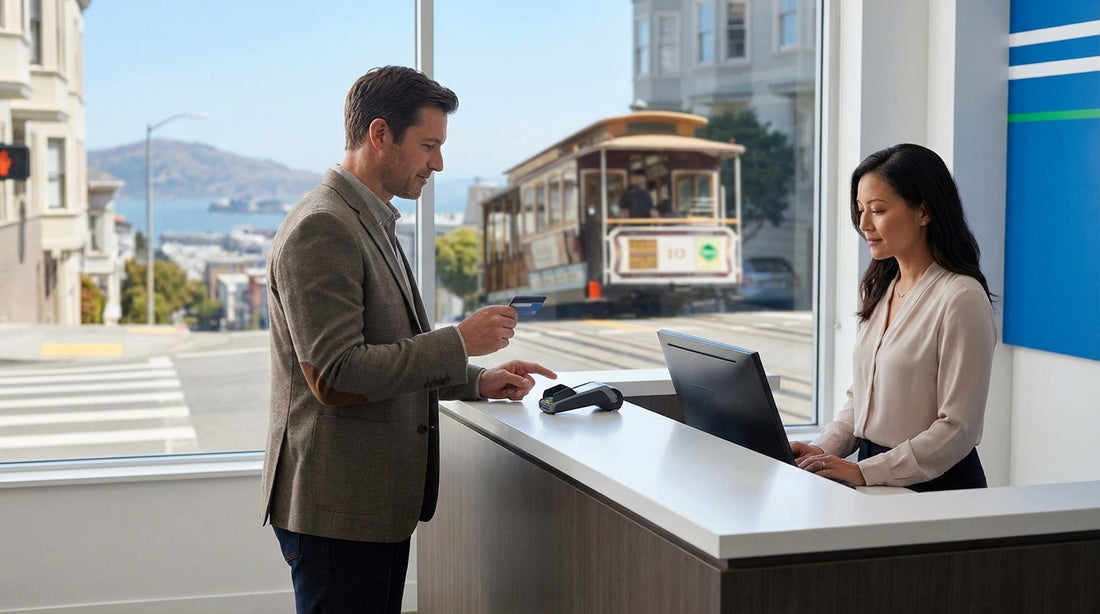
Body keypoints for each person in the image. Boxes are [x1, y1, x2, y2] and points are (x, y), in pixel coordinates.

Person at [259, 65, 557, 613]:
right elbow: (336, 375)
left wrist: (478, 379)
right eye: (428, 145)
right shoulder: (322, 228)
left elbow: (389, 352)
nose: (438, 164)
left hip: (368, 507)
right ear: (379, 135)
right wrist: (460, 341)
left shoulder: (369, 221)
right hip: (339, 510)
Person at [790, 143, 996, 492]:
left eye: (879, 210)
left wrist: (866, 472)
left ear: (924, 212)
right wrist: (823, 449)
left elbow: (959, 428)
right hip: (876, 474)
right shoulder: (881, 286)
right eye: (860, 210)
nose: (864, 224)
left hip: (937, 487)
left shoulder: (961, 298)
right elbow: (861, 399)